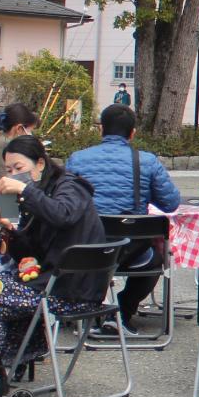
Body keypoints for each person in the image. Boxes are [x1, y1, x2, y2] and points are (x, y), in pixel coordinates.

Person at [0, 136, 108, 378]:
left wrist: (25, 190)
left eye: (19, 168)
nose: (14, 175)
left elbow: (63, 215)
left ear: (40, 164)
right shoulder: (34, 195)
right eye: (8, 170)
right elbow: (30, 254)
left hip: (73, 290)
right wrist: (8, 226)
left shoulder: (70, 186)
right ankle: (3, 363)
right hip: (51, 282)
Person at [65, 103, 184, 330]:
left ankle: (87, 309)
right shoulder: (147, 161)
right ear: (132, 133)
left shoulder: (76, 159)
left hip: (85, 248)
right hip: (131, 249)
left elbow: (65, 204)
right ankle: (122, 309)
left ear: (101, 129)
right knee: (157, 259)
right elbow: (171, 203)